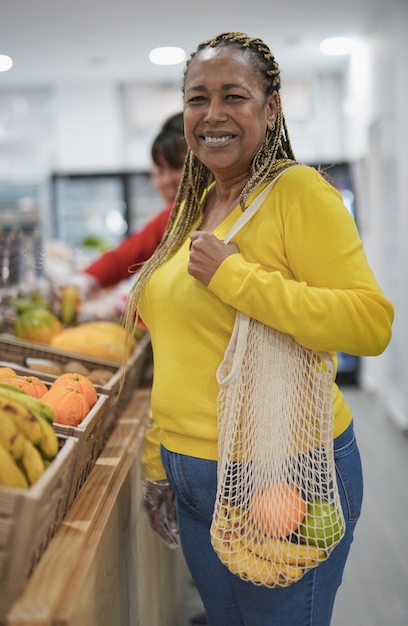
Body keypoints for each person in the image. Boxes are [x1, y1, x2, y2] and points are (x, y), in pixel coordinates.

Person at [123, 32, 394, 626]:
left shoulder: (298, 192)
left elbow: (370, 324)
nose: (212, 114)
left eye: (233, 96)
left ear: (270, 110)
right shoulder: (195, 209)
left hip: (281, 471)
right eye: (197, 98)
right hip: (190, 476)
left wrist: (238, 277)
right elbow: (179, 354)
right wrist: (157, 464)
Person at [55, 112, 186, 320]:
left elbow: (181, 287)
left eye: (176, 168)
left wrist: (122, 305)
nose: (166, 181)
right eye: (160, 172)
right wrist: (85, 281)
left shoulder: (207, 212)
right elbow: (126, 255)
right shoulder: (174, 214)